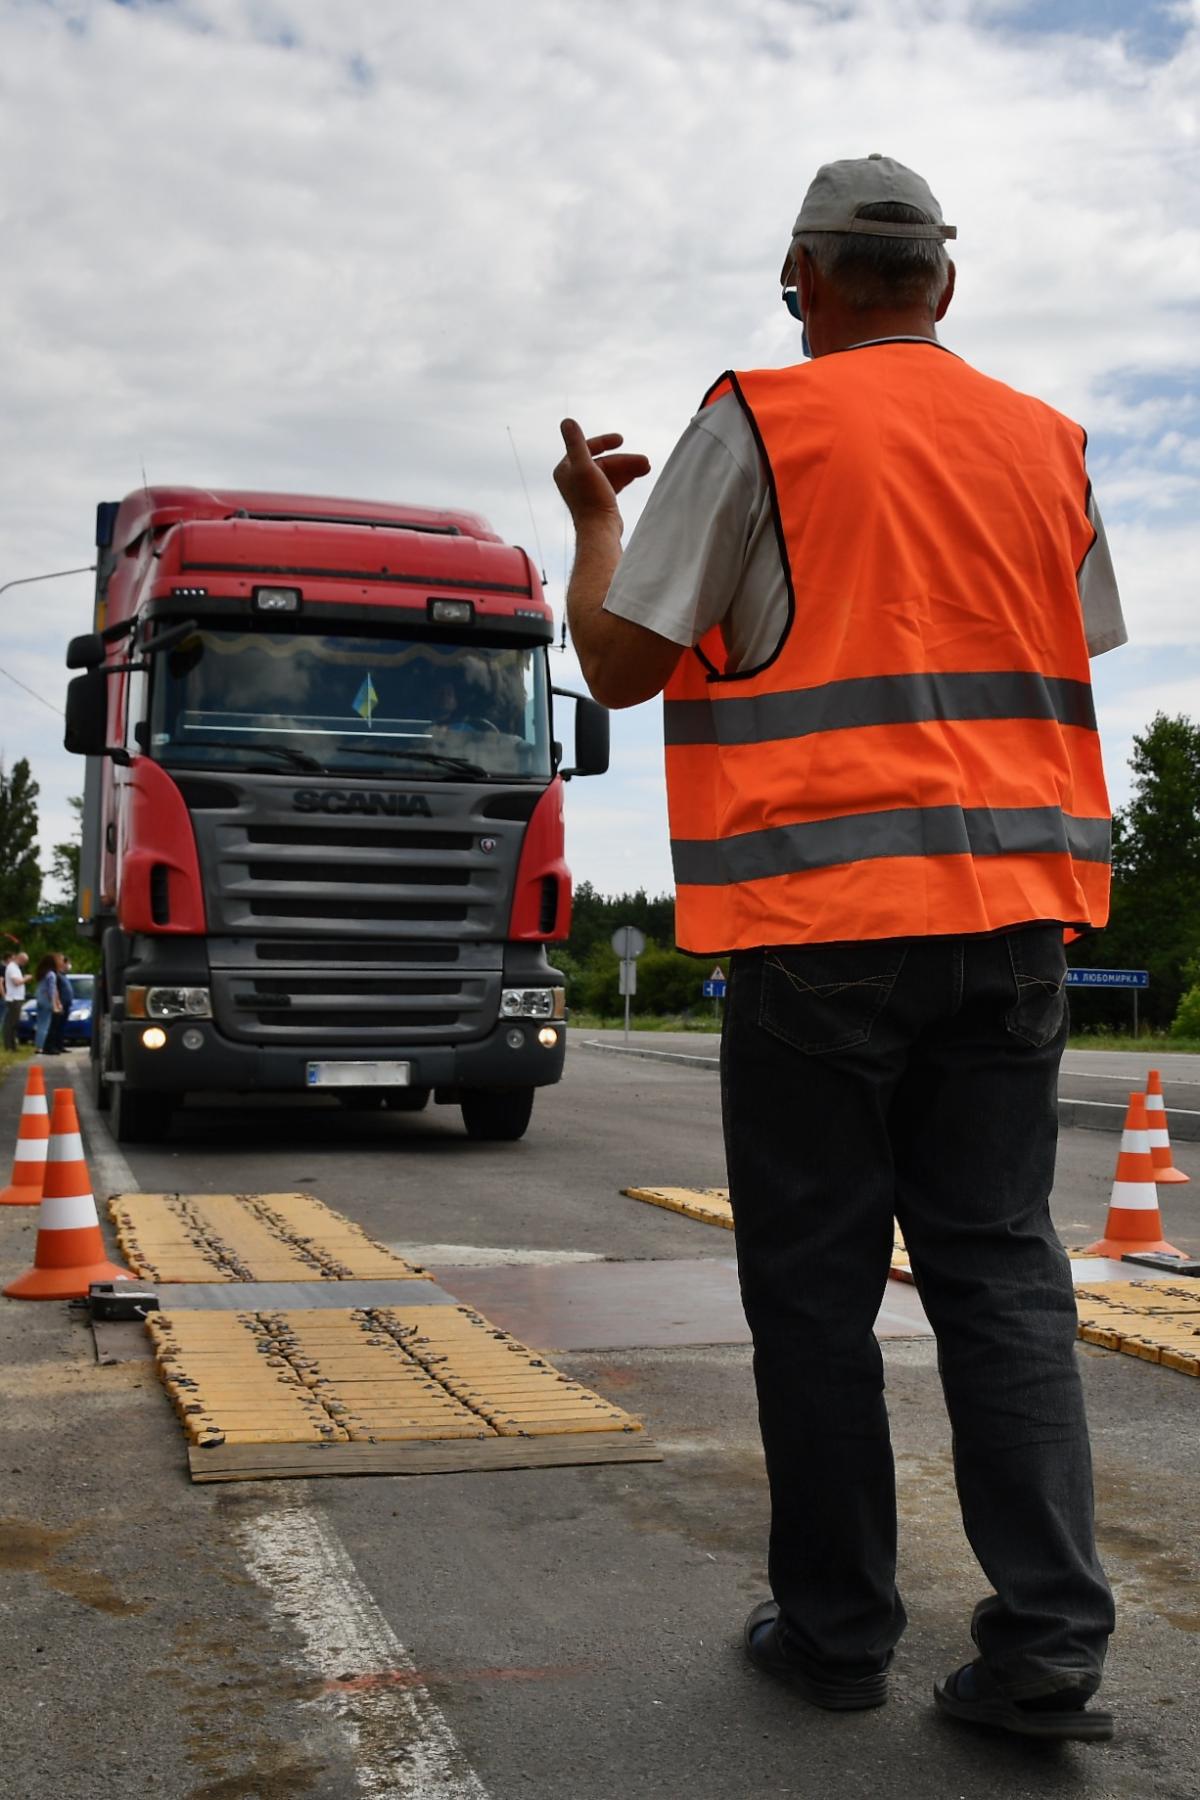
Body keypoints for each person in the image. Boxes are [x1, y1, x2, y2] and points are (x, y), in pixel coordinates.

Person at [554, 154, 1122, 1742]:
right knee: (1003, 1275)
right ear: (947, 284)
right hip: (1018, 923)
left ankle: (835, 1632)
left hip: (823, 932)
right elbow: (1063, 640)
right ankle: (1047, 1646)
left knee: (814, 1293)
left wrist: (598, 528)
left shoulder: (761, 417)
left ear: (802, 282)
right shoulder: (1051, 444)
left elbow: (616, 666)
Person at [33, 953, 64, 1054]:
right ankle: (42, 1046)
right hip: (47, 1000)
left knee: (40, 1024)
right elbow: (52, 990)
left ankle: (38, 1046)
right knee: (45, 1025)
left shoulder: (42, 973)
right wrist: (54, 1004)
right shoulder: (51, 974)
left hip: (40, 1000)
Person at [44, 955, 75, 1055]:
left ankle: (58, 1045)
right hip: (57, 1003)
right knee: (54, 1026)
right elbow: (54, 991)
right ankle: (50, 1047)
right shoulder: (54, 975)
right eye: (61, 961)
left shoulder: (61, 974)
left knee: (60, 1026)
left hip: (63, 1003)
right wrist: (57, 1003)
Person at [3, 950, 29, 1051]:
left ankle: (12, 1045)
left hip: (16, 997)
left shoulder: (15, 967)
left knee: (13, 1022)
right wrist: (26, 978)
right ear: (21, 959)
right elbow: (16, 982)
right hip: (14, 998)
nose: (25, 964)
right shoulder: (12, 968)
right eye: (24, 962)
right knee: (11, 1023)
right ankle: (9, 1046)